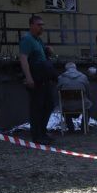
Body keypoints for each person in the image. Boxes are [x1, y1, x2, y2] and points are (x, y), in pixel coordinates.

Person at [19, 15, 56, 144]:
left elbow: (41, 56)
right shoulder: (27, 39)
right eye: (39, 25)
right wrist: (29, 78)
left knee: (49, 104)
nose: (42, 27)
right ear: (32, 25)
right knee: (37, 107)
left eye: (42, 25)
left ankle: (43, 131)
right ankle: (37, 135)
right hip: (35, 78)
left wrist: (47, 50)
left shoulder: (38, 40)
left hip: (44, 78)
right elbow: (23, 59)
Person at [57, 61, 94, 133]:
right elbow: (88, 90)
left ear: (66, 69)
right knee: (88, 107)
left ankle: (71, 128)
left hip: (66, 106)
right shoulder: (83, 77)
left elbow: (58, 91)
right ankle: (84, 128)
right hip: (81, 104)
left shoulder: (61, 78)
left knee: (62, 105)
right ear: (75, 68)